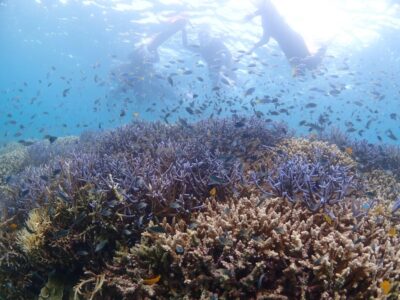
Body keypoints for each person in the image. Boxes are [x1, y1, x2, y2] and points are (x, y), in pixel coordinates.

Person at [244, 0, 326, 76]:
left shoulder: (270, 10)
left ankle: (322, 50)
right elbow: (265, 39)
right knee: (299, 71)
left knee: (310, 61)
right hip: (286, 48)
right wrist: (253, 47)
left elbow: (267, 5)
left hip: (293, 40)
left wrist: (253, 14)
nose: (254, 3)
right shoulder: (264, 21)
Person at [112, 17, 189, 95]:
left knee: (163, 91)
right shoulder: (140, 59)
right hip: (146, 80)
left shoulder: (140, 59)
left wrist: (151, 49)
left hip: (146, 80)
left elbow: (155, 56)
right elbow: (156, 56)